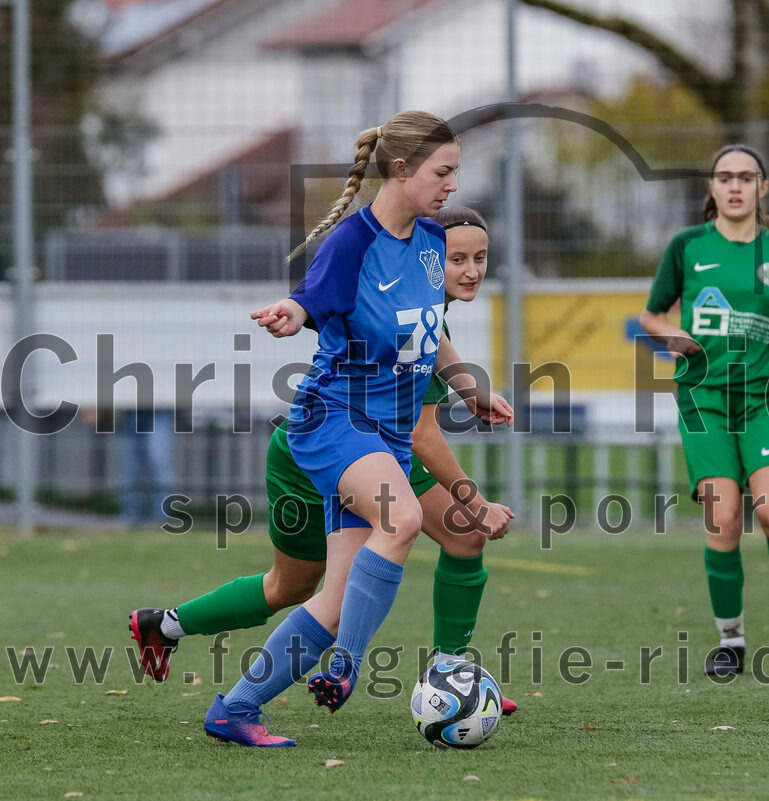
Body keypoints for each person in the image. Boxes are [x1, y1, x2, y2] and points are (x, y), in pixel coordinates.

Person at [128, 204, 518, 715]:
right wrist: (475, 499)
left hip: (376, 446)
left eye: (481, 258)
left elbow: (434, 349)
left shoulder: (428, 307)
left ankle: (447, 680)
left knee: (461, 539)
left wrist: (470, 388)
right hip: (316, 452)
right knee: (290, 587)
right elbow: (424, 437)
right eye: (456, 259)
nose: (471, 271)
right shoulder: (395, 290)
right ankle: (170, 628)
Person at [204, 111, 511, 747]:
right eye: (443, 171)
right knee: (398, 521)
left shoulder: (429, 240)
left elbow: (433, 334)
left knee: (337, 598)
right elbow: (309, 297)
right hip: (334, 419)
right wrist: (290, 313)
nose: (452, 185)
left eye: (455, 171)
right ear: (402, 170)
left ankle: (234, 709)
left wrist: (471, 389)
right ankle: (346, 664)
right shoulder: (353, 242)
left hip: (384, 435)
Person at [639, 144, 769, 678]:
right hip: (704, 400)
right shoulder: (687, 247)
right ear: (712, 188)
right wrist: (673, 335)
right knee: (722, 519)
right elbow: (651, 316)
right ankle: (732, 641)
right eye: (725, 177)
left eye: (747, 177)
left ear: (762, 188)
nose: (735, 186)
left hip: (764, 397)